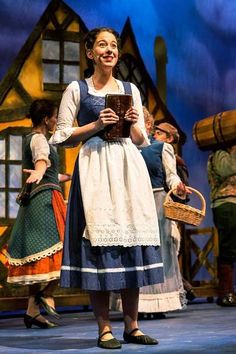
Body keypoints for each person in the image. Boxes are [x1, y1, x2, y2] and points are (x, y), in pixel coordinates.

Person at [49, 27, 163, 349]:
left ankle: (133, 325)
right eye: (102, 45)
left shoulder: (130, 89)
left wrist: (130, 122)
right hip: (94, 168)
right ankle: (104, 329)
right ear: (90, 52)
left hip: (127, 167)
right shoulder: (78, 88)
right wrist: (97, 124)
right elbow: (60, 136)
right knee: (99, 247)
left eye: (113, 45)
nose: (109, 50)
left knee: (131, 243)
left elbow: (142, 139)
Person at [6, 99, 70, 328]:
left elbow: (49, 171)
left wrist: (68, 177)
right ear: (46, 119)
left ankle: (32, 310)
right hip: (45, 203)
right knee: (66, 248)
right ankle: (47, 293)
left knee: (42, 254)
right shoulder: (39, 139)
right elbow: (41, 160)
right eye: (54, 117)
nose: (56, 121)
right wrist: (41, 169)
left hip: (42, 197)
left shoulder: (34, 139)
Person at [135, 110, 188, 317]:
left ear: (147, 125)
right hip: (135, 203)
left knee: (159, 252)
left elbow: (171, 176)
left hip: (156, 202)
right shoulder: (129, 148)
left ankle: (158, 303)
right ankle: (137, 304)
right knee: (139, 252)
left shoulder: (162, 147)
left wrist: (178, 188)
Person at [154, 122, 197, 301]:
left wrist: (177, 194)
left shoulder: (173, 157)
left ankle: (179, 287)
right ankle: (183, 286)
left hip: (168, 207)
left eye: (159, 133)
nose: (155, 135)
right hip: (158, 205)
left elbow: (178, 181)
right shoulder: (154, 151)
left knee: (169, 247)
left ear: (169, 138)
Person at [207, 144, 236, 306]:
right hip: (225, 204)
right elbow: (226, 169)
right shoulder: (219, 153)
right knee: (228, 247)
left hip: (232, 203)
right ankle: (226, 292)